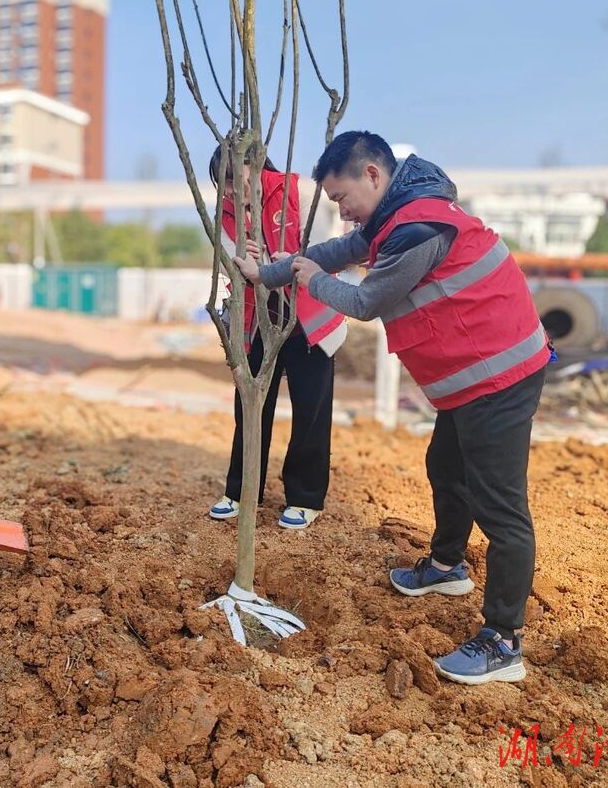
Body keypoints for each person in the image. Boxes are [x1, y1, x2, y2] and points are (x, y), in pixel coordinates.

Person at [234, 132, 553, 684]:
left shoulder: (418, 227)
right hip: (471, 375)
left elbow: (364, 300)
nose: (341, 211)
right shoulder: (394, 216)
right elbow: (338, 251)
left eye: (341, 199)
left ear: (373, 176)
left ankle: (504, 641)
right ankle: (447, 566)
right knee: (445, 466)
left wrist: (311, 280)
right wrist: (272, 271)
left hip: (500, 373)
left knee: (501, 507)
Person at [208, 145, 347, 530]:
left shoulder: (298, 192)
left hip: (307, 317)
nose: (232, 191)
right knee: (250, 407)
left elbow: (323, 255)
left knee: (311, 411)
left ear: (257, 164)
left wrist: (273, 261)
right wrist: (243, 261)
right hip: (257, 319)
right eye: (224, 183)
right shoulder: (223, 213)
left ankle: (305, 497)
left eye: (237, 179)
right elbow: (230, 266)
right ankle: (240, 490)